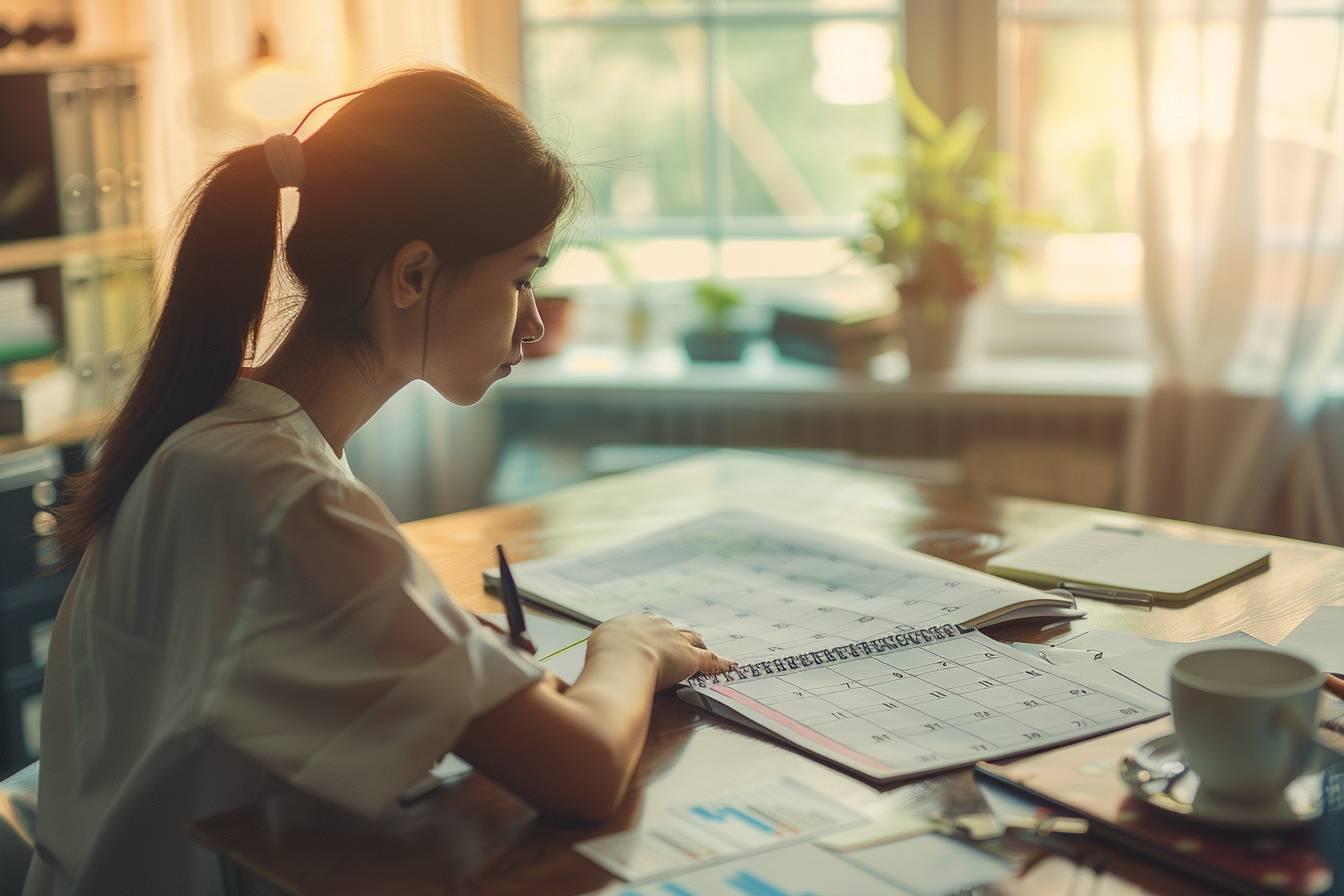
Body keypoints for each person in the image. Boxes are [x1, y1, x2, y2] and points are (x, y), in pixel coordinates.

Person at [28, 68, 735, 896]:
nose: (535, 319)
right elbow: (582, 771)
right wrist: (630, 647)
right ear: (412, 275)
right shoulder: (288, 495)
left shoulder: (218, 427)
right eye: (520, 276)